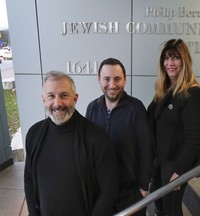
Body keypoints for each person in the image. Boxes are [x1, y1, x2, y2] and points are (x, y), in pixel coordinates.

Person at [24, 71, 118, 216]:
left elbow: (109, 189)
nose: (57, 103)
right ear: (43, 99)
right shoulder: (34, 134)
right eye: (51, 96)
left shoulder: (96, 137)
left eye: (64, 95)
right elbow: (29, 180)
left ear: (75, 98)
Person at [85, 58, 154, 215]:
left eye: (117, 79)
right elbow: (87, 149)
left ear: (125, 80)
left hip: (130, 191)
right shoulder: (92, 108)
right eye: (106, 79)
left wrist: (144, 186)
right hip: (101, 191)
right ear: (99, 80)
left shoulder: (136, 108)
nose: (112, 85)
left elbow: (147, 149)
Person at [147, 39, 200, 216]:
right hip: (160, 161)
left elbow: (194, 139)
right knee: (159, 202)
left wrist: (180, 171)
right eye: (166, 58)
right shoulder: (164, 90)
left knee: (171, 208)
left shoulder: (192, 93)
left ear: (184, 61)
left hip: (174, 164)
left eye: (175, 58)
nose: (170, 63)